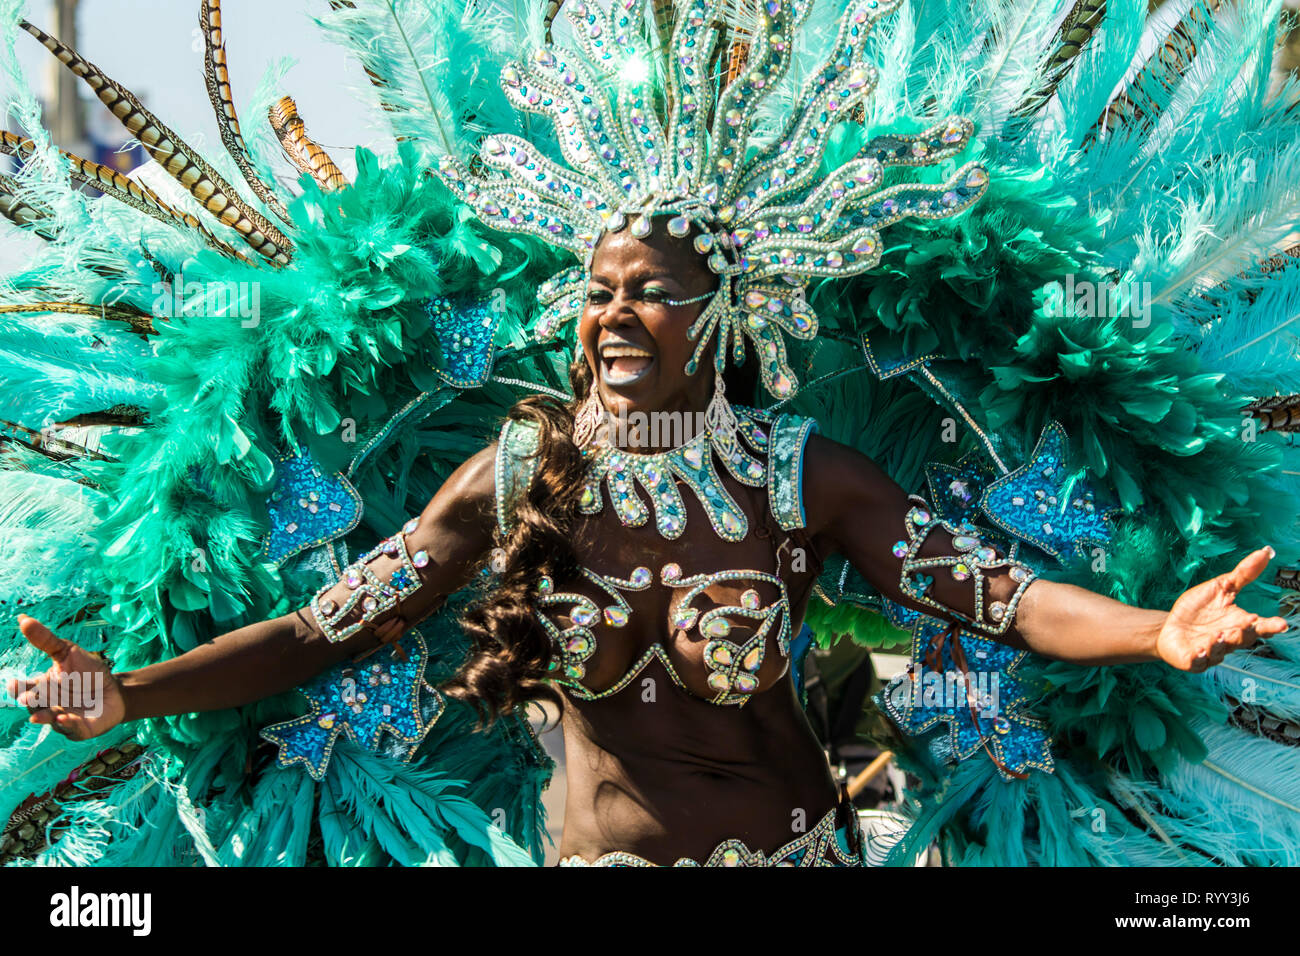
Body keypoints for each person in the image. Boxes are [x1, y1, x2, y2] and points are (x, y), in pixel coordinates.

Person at [8, 211, 1285, 865]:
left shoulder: (802, 478)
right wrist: (128, 693)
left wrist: (1152, 629)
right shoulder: (509, 473)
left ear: (721, 316)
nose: (618, 313)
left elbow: (999, 598)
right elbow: (319, 625)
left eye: (655, 292)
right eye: (599, 290)